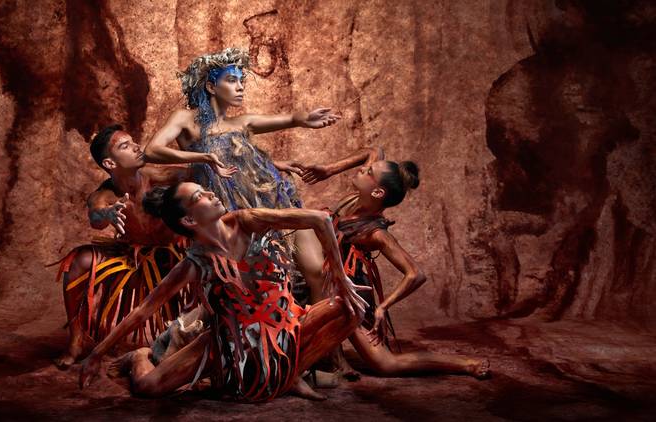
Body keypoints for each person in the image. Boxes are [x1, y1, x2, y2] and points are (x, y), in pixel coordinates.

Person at [79, 182, 370, 402]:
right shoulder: (195, 264)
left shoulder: (247, 220)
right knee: (148, 387)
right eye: (200, 197)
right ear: (190, 221)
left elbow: (319, 219)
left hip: (285, 323)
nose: (211, 194)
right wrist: (97, 354)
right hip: (227, 343)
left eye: (206, 190)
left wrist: (341, 279)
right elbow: (143, 310)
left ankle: (290, 373)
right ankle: (140, 356)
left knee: (352, 309)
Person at [142, 47, 340, 303]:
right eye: (232, 80)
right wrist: (201, 157)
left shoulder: (242, 122)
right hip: (236, 216)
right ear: (211, 87)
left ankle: (325, 339)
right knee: (260, 284)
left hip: (277, 202)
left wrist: (304, 120)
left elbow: (290, 118)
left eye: (241, 81)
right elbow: (152, 151)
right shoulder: (185, 119)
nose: (240, 87)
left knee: (315, 271)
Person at [301, 148, 490, 379]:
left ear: (378, 192)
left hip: (353, 294)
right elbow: (374, 151)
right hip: (331, 280)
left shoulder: (376, 233)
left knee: (386, 364)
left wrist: (383, 307)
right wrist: (329, 169)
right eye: (367, 168)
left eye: (368, 171)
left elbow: (415, 274)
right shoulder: (356, 200)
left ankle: (465, 364)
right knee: (319, 279)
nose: (362, 169)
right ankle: (334, 357)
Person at [54, 125, 193, 368]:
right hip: (135, 259)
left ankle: (202, 341)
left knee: (212, 256)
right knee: (78, 261)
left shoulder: (157, 175)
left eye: (133, 142)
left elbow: (202, 173)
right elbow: (96, 217)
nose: (136, 147)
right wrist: (108, 213)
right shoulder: (105, 195)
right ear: (109, 163)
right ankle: (76, 341)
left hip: (176, 256)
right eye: (124, 146)